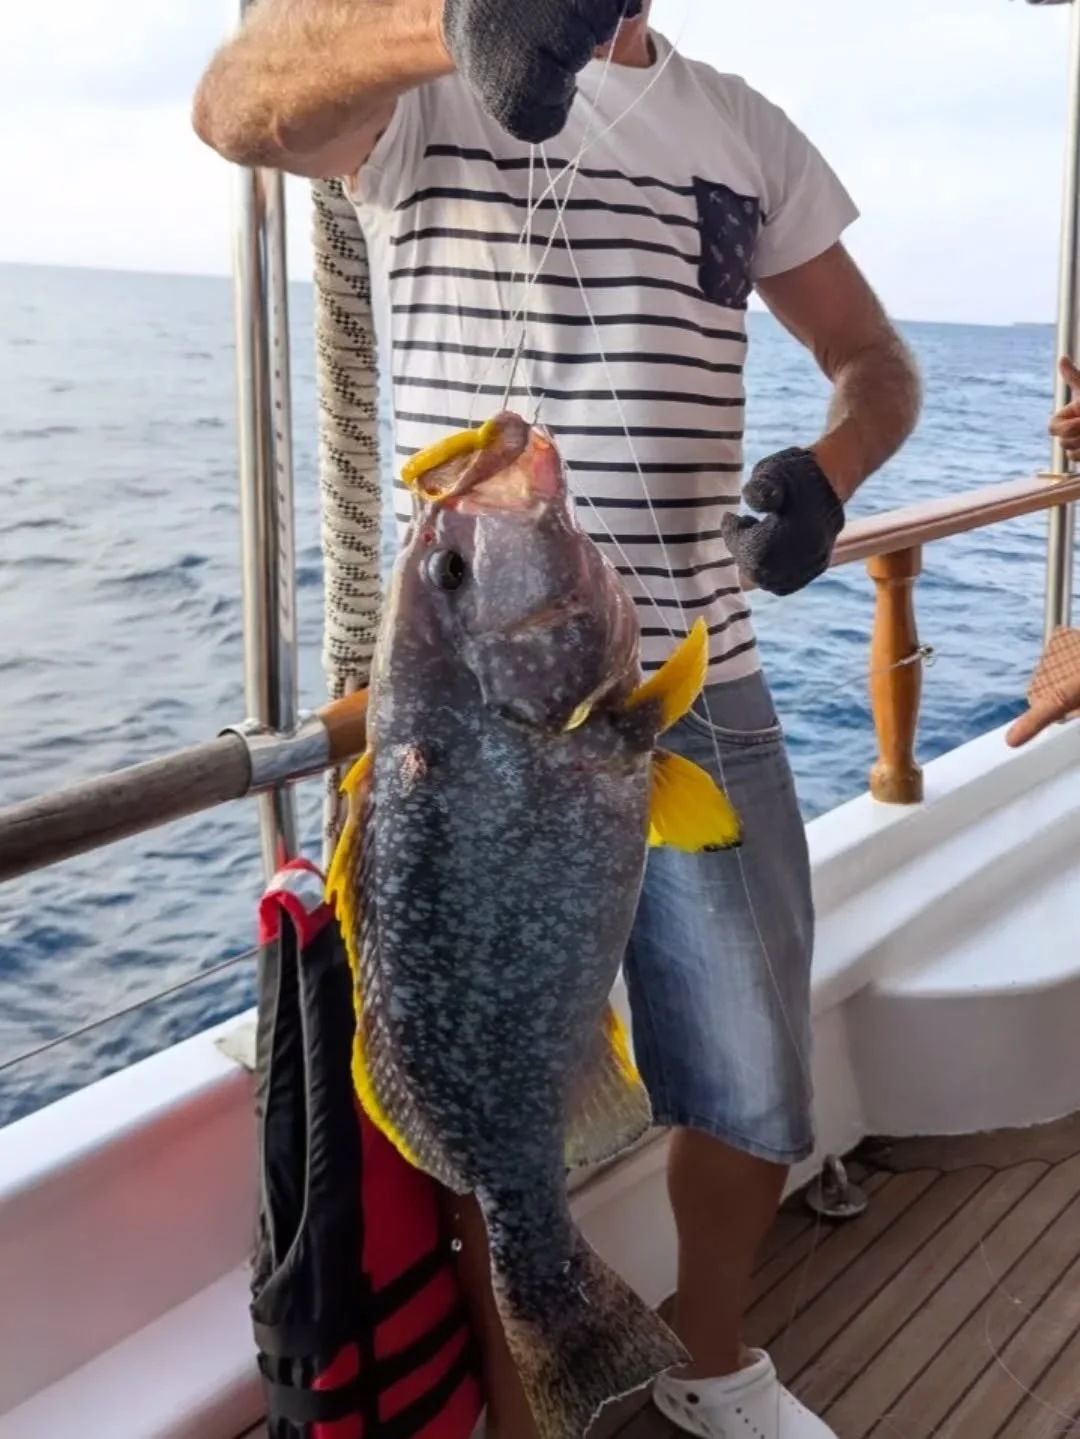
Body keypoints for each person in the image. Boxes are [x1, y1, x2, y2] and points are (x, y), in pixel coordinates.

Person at [193, 4, 922, 1436]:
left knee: (746, 1078)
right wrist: (456, 23)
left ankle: (715, 1372)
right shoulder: (418, 98)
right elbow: (236, 106)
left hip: (701, 689)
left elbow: (876, 356)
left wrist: (832, 470)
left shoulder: (745, 127)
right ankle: (528, 1402)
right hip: (469, 715)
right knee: (485, 1064)